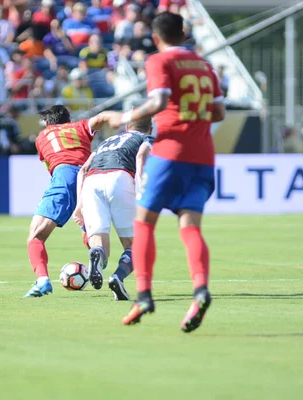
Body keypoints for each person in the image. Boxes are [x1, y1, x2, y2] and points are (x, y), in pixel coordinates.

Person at [105, 12, 226, 333]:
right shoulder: (205, 65)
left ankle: (143, 295)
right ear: (185, 33)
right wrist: (192, 116)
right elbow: (218, 111)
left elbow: (158, 100)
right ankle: (200, 290)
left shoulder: (160, 61)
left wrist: (125, 116)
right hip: (203, 157)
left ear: (156, 38)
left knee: (144, 222)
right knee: (190, 227)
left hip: (169, 152)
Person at [23, 105, 110, 298]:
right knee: (90, 229)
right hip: (92, 176)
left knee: (36, 236)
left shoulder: (42, 136)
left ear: (47, 123)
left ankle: (42, 281)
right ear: (68, 120)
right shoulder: (79, 126)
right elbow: (100, 119)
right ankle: (99, 258)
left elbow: (50, 166)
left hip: (65, 175)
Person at [72, 117, 154, 300]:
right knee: (136, 245)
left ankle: (96, 255)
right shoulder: (146, 138)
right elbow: (141, 156)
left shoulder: (108, 141)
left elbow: (83, 170)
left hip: (92, 182)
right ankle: (118, 277)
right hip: (120, 176)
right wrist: (141, 191)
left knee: (101, 246)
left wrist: (79, 205)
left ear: (127, 127)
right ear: (150, 129)